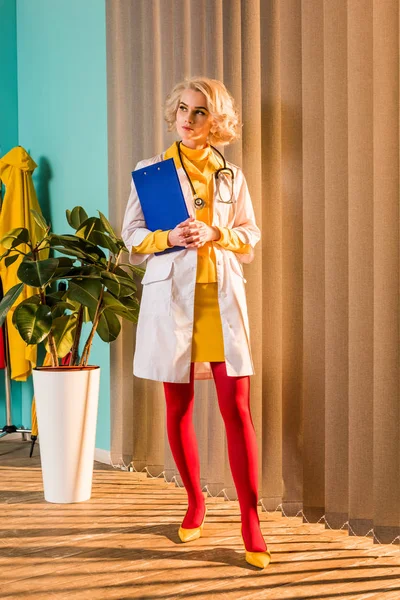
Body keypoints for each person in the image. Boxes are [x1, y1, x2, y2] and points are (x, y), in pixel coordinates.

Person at [121, 76, 270, 569]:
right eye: (183, 109)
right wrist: (170, 237)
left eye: (200, 112)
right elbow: (132, 235)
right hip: (174, 303)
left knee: (237, 409)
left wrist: (216, 231)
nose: (188, 118)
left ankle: (250, 518)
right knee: (178, 406)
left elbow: (249, 238)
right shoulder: (152, 172)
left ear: (217, 120)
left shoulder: (232, 177)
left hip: (220, 301)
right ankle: (195, 503)